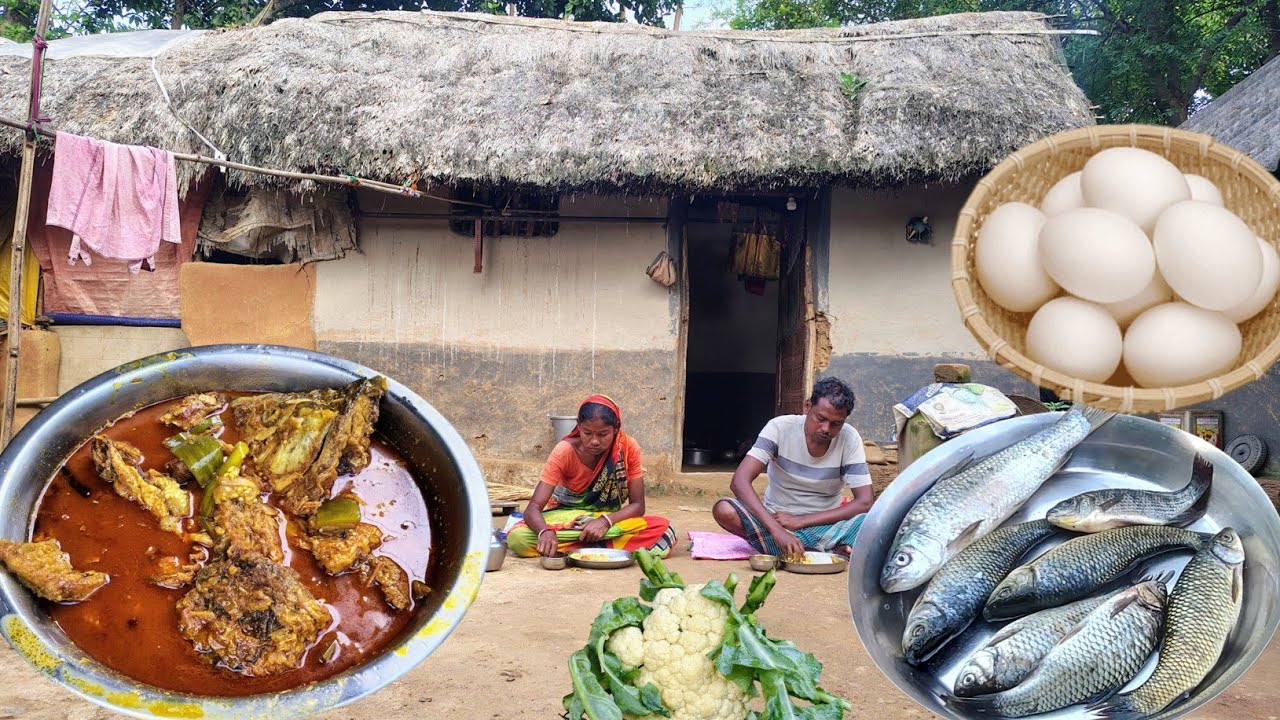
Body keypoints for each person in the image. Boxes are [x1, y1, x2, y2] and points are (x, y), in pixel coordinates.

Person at [712, 377, 873, 559]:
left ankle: (793, 549)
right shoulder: (779, 428)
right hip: (776, 521)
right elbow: (740, 481)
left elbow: (865, 501)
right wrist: (777, 531)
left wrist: (800, 521)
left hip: (826, 525)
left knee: (876, 521)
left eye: (836, 424)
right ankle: (823, 551)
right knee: (725, 510)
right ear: (807, 407)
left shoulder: (849, 438)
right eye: (820, 418)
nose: (826, 429)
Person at [506, 395, 677, 558]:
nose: (594, 441)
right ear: (578, 427)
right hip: (567, 520)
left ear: (616, 429)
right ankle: (603, 547)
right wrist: (545, 532)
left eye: (603, 434)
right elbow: (533, 507)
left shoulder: (627, 448)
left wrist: (604, 522)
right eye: (587, 433)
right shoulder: (564, 451)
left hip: (608, 521)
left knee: (664, 529)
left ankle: (577, 547)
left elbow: (638, 506)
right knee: (519, 538)